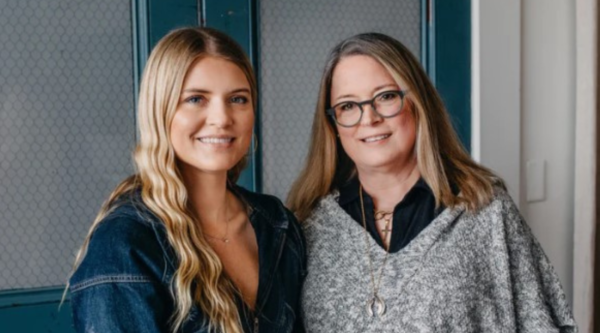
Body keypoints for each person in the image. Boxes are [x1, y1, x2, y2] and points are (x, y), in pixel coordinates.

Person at [287, 32, 577, 332]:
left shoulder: (485, 210)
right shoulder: (308, 226)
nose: (368, 118)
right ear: (333, 124)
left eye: (386, 96)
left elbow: (546, 324)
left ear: (417, 102)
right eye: (348, 105)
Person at [68, 27, 305, 333]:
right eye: (195, 99)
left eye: (238, 99)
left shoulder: (277, 224)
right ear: (160, 110)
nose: (221, 118)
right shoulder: (125, 244)